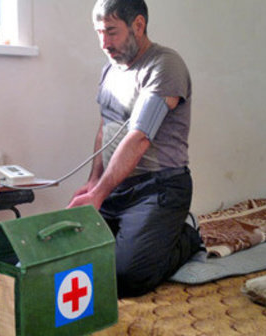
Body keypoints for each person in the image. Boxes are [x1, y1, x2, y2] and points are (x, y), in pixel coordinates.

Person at [68, 0, 202, 298]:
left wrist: (99, 194)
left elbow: (139, 137)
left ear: (138, 25)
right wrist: (93, 183)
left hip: (159, 188)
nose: (104, 43)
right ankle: (145, 236)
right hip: (116, 188)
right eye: (99, 32)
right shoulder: (110, 70)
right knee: (72, 259)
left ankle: (187, 236)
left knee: (125, 277)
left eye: (112, 32)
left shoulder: (165, 65)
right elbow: (106, 129)